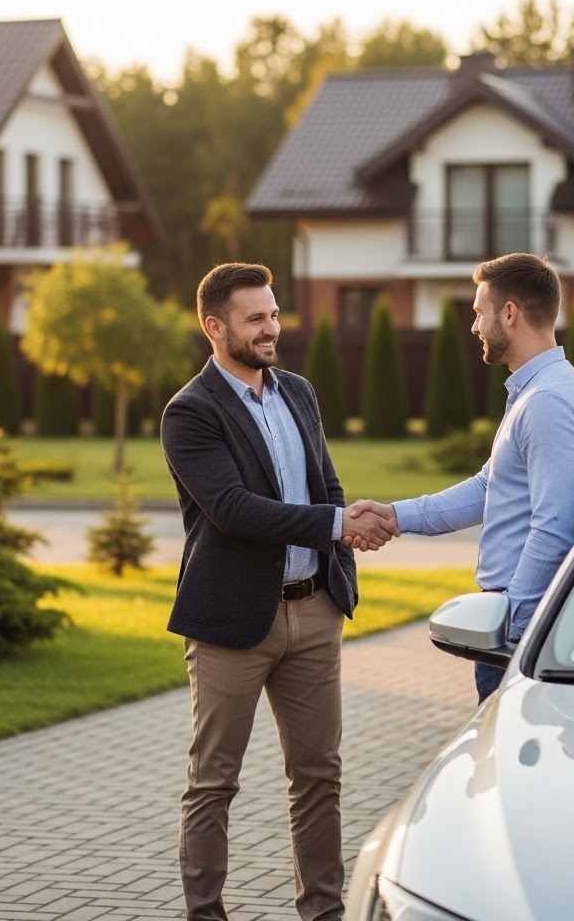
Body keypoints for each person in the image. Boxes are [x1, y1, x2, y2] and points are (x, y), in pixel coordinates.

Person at [161, 262, 398, 921]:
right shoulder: (190, 412)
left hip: (315, 612)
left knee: (319, 776)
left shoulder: (298, 392)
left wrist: (342, 541)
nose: (271, 328)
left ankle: (323, 912)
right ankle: (205, 914)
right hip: (232, 624)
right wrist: (336, 525)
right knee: (214, 781)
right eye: (256, 318)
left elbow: (327, 484)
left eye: (273, 314)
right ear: (215, 327)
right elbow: (233, 509)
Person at [349, 253, 574, 703]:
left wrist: (512, 627)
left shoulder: (548, 402)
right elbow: (490, 487)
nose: (474, 326)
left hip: (524, 632)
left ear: (510, 313)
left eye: (479, 312)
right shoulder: (536, 391)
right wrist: (396, 516)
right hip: (522, 621)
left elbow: (555, 527)